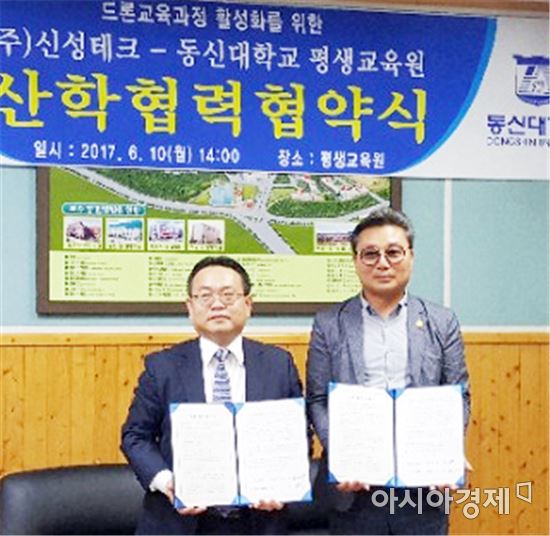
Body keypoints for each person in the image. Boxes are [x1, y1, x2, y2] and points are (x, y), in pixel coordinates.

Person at [306, 207, 470, 535]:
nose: (382, 263)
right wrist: (342, 454)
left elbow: (459, 395)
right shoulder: (329, 324)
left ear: (411, 256)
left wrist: (446, 450)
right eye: (370, 254)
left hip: (422, 484)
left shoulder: (442, 321)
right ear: (356, 260)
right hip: (353, 488)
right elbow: (318, 399)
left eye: (393, 252)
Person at [122, 256, 303, 535]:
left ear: (248, 304)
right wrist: (166, 481)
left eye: (228, 295)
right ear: (190, 307)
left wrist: (281, 483)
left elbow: (297, 436)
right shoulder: (162, 367)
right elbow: (135, 436)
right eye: (205, 296)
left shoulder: (278, 364)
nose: (217, 304)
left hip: (258, 521)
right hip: (178, 523)